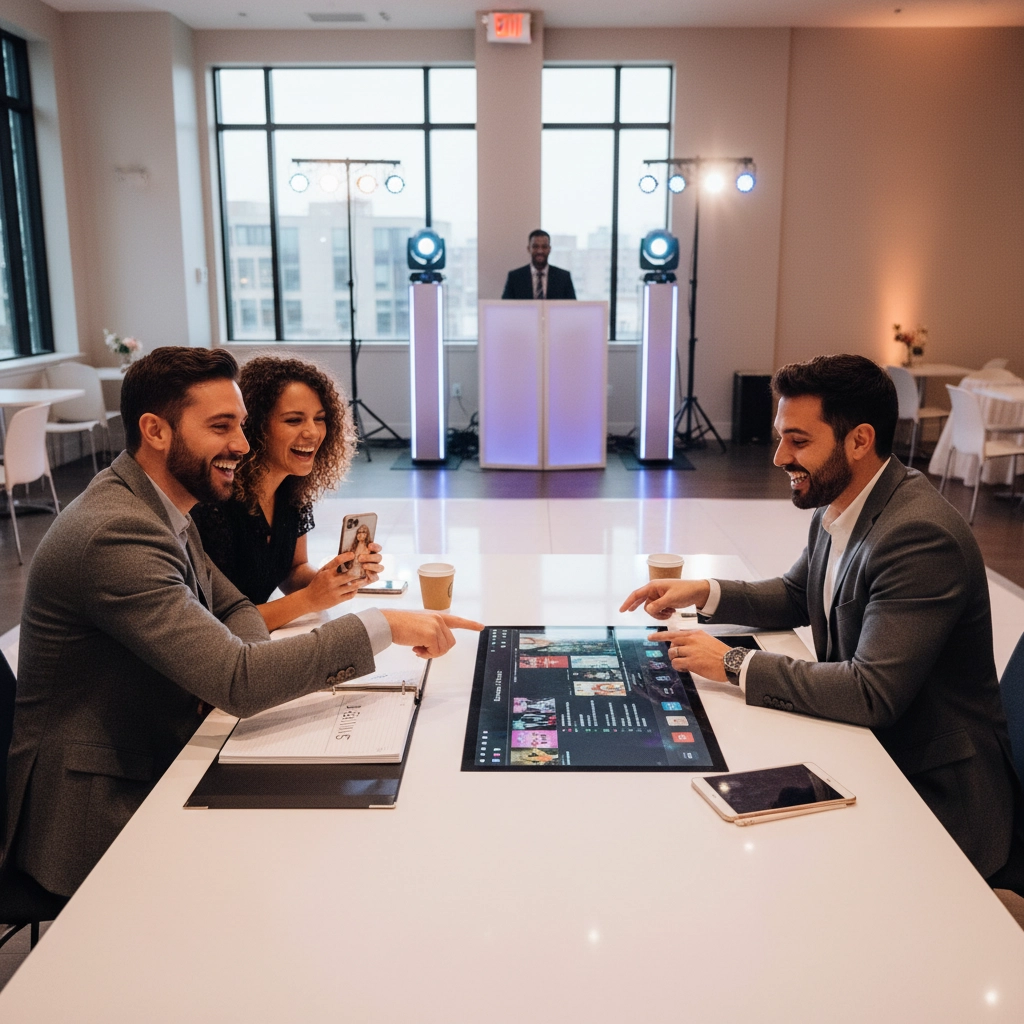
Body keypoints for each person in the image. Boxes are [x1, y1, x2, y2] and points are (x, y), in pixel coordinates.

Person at [3, 347, 481, 898]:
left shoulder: (162, 506)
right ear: (155, 431)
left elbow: (233, 613)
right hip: (96, 804)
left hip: (158, 747)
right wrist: (383, 625)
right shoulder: (118, 531)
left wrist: (244, 664)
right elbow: (239, 680)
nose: (243, 444)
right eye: (221, 427)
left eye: (242, 425)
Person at [621, 354, 1022, 886]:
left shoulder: (919, 535)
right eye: (780, 438)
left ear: (859, 440)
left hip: (932, 789)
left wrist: (734, 663)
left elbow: (871, 692)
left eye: (798, 441)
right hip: (870, 749)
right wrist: (704, 591)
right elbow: (796, 593)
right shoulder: (841, 502)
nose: (779, 457)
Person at [192, 355, 371, 631]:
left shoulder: (291, 491)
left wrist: (335, 578)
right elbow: (217, 624)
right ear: (255, 426)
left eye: (320, 419)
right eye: (294, 420)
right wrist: (309, 599)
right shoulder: (214, 503)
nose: (312, 432)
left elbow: (292, 571)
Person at [501, 229, 576, 300]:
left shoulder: (563, 278)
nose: (540, 251)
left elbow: (572, 307)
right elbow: (505, 307)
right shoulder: (515, 278)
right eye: (535, 247)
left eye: (544, 247)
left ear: (549, 249)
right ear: (529, 249)